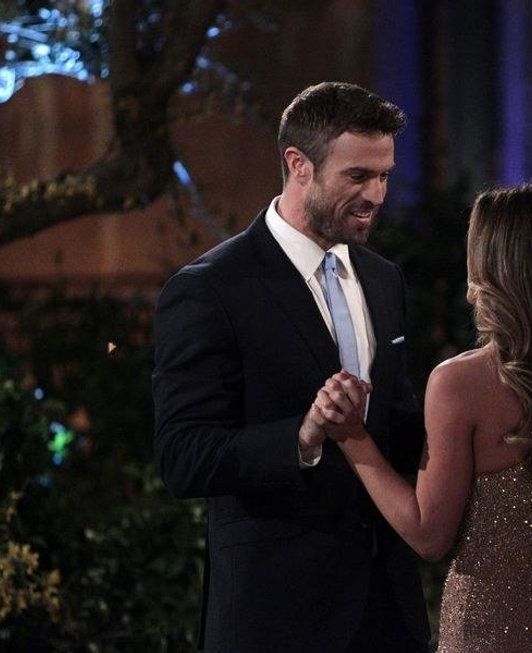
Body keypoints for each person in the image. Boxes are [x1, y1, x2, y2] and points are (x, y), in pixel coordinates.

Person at [152, 81, 430, 653]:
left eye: (384, 176)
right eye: (358, 176)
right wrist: (302, 436)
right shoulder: (210, 289)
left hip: (386, 610)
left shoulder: (383, 279)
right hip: (272, 619)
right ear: (298, 164)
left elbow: (394, 423)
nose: (376, 195)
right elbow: (183, 457)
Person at [312, 183, 532, 652]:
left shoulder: (460, 383)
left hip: (486, 635)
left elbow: (428, 535)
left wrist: (351, 437)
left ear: (495, 268)